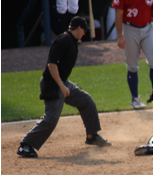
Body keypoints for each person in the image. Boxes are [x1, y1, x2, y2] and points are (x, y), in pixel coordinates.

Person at [17, 17, 111, 158]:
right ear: (78, 28)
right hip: (52, 84)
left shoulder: (72, 41)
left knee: (86, 100)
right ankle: (26, 145)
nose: (85, 33)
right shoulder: (63, 41)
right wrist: (61, 85)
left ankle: (92, 136)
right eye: (84, 30)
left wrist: (63, 84)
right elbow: (52, 64)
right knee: (51, 118)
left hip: (62, 82)